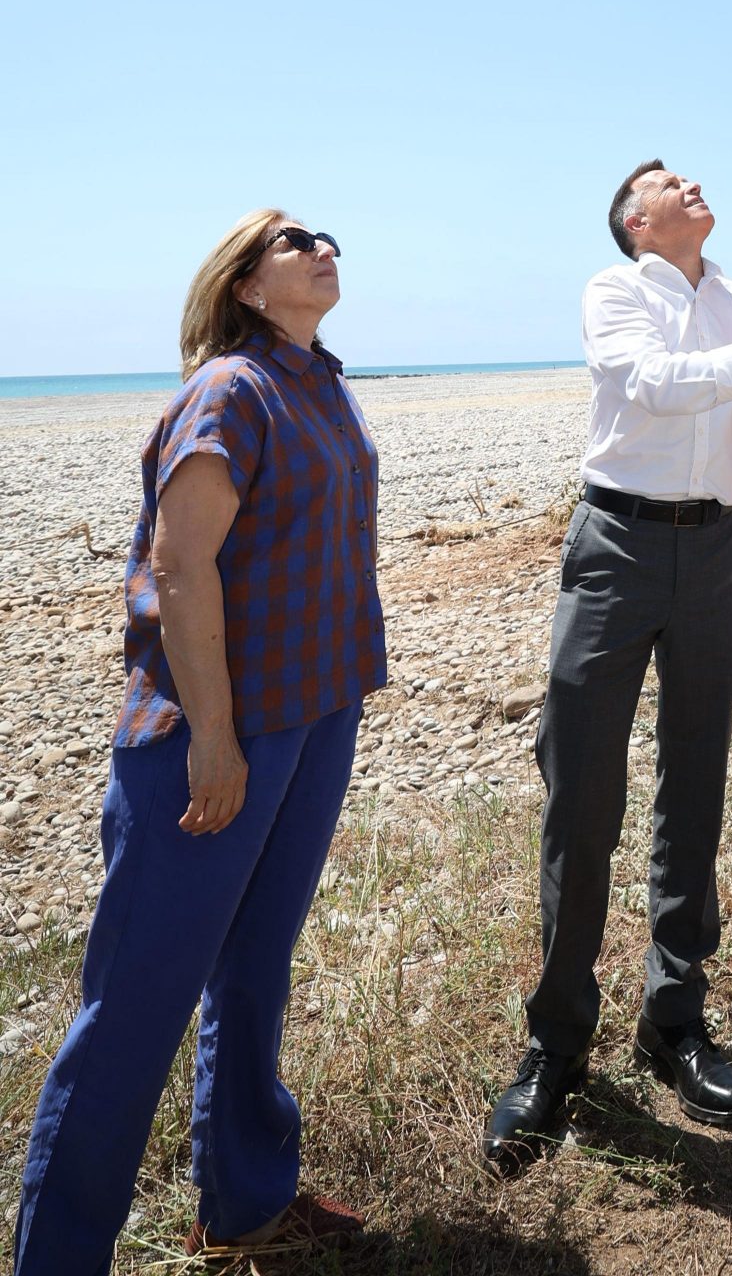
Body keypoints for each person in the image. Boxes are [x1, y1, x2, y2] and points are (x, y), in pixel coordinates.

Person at [14, 211, 384, 1272]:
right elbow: (182, 570)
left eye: (326, 234)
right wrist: (214, 738)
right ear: (246, 284)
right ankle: (60, 1256)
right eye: (294, 238)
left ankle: (247, 1201)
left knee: (254, 972)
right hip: (214, 735)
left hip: (316, 714)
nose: (325, 244)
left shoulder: (319, 378)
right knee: (135, 1008)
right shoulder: (230, 387)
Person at [483, 162, 732, 1166]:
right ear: (634, 219)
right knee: (583, 787)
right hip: (614, 546)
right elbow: (653, 386)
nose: (690, 183)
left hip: (716, 549)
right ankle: (558, 1044)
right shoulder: (613, 292)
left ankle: (673, 1018)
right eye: (665, 180)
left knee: (696, 774)